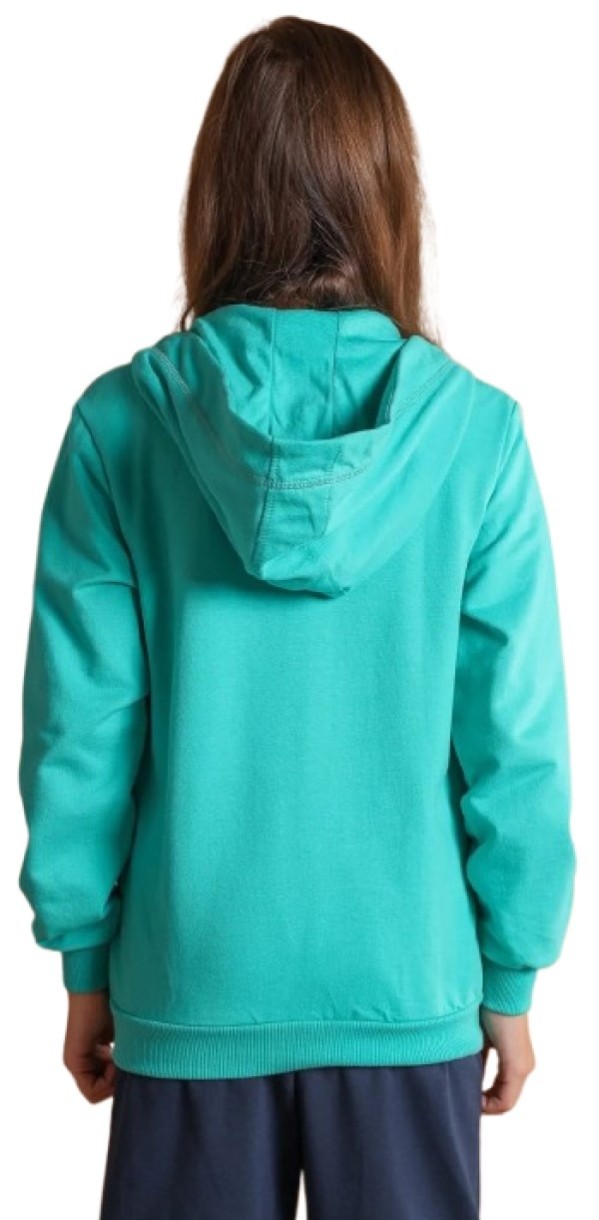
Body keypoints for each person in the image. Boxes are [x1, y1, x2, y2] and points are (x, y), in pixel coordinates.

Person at [17, 15, 576, 1220]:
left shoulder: (121, 428)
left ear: (217, 193)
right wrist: (509, 973)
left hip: (190, 984)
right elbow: (514, 742)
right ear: (386, 194)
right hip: (408, 987)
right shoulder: (472, 437)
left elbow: (81, 731)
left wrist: (85, 958)